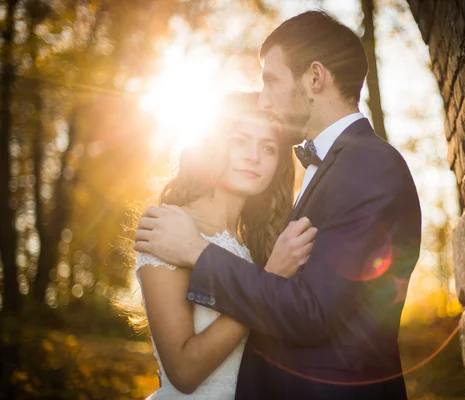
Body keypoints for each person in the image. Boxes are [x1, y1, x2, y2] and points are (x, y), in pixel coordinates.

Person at [135, 10, 421, 400]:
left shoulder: (368, 165)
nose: (264, 98)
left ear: (315, 78)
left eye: (270, 80)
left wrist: (196, 252)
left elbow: (313, 312)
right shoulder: (333, 167)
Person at [134, 92, 314, 398]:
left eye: (268, 148)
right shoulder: (170, 228)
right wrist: (268, 281)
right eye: (240, 141)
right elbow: (183, 372)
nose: (253, 157)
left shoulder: (259, 246)